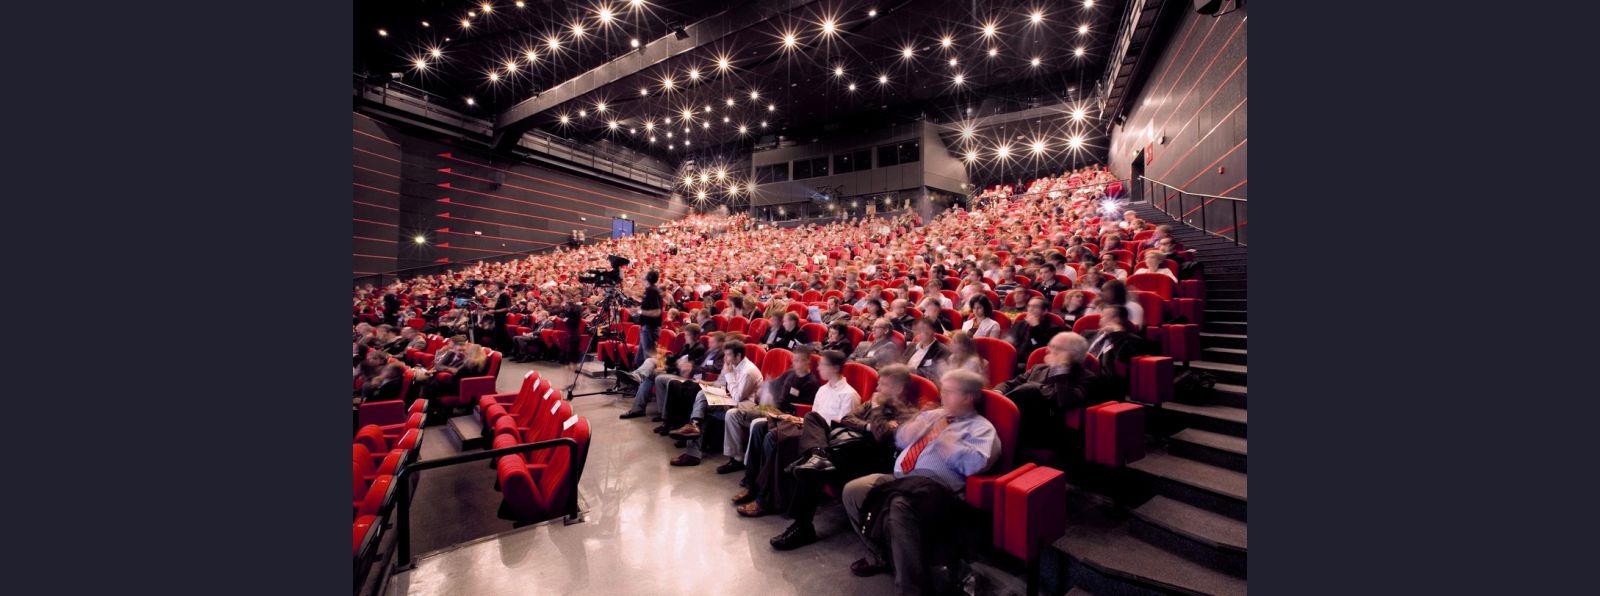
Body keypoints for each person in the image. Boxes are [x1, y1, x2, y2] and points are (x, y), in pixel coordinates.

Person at [839, 370, 1000, 594]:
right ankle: (880, 556)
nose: (942, 395)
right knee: (853, 491)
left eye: (950, 391)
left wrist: (948, 442)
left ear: (968, 397)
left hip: (937, 491)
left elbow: (977, 463)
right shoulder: (934, 415)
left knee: (900, 505)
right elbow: (901, 440)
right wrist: (911, 430)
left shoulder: (981, 428)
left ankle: (912, 590)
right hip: (901, 480)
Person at [769, 362, 913, 550]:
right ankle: (818, 455)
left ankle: (802, 526)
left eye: (883, 384)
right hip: (845, 447)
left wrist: (875, 412)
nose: (877, 388)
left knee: (813, 470)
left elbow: (882, 436)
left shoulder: (907, 414)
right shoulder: (872, 402)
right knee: (813, 418)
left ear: (898, 388)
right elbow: (847, 419)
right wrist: (868, 426)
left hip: (867, 459)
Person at [997, 332, 1108, 457]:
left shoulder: (1086, 377)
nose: (1049, 350)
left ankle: (995, 415)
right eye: (1050, 345)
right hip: (1019, 421)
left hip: (1049, 426)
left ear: (1072, 354)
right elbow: (1009, 384)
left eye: (1057, 348)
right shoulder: (1038, 368)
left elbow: (1065, 401)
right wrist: (997, 393)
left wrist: (1061, 368)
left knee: (1030, 390)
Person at [718, 346, 820, 475]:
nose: (795, 363)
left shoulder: (811, 383)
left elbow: (802, 411)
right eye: (794, 360)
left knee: (749, 419)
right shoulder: (790, 373)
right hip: (769, 408)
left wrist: (776, 410)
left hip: (783, 415)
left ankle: (748, 467)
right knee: (732, 414)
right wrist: (764, 389)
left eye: (799, 360)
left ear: (807, 362)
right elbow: (772, 385)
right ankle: (736, 458)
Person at [668, 340, 763, 466]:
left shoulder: (748, 371)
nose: (726, 358)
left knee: (704, 407)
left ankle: (694, 451)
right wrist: (708, 385)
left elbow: (739, 396)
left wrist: (728, 374)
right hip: (732, 398)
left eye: (728, 355)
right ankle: (694, 426)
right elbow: (726, 387)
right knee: (702, 394)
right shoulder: (734, 364)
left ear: (738, 356)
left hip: (747, 404)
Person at [620, 323, 706, 419]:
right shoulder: (687, 346)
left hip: (682, 374)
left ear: (696, 336)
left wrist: (666, 368)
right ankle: (636, 377)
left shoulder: (699, 349)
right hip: (673, 369)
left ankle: (641, 408)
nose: (685, 337)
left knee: (653, 374)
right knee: (651, 362)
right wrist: (664, 358)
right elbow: (675, 357)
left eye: (687, 335)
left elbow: (685, 367)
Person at [1006, 297, 1062, 374]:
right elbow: (1009, 341)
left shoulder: (1054, 328)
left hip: (1035, 365)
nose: (1030, 309)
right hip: (1015, 359)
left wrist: (1036, 326)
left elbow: (1046, 348)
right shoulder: (1020, 323)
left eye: (1035, 307)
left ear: (1045, 311)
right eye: (1029, 306)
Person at [634, 270, 664, 366]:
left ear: (648, 278)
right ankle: (642, 379)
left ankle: (650, 380)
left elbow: (657, 312)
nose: (642, 275)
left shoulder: (652, 291)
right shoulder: (650, 290)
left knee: (649, 360)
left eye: (644, 274)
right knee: (639, 360)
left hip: (650, 328)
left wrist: (639, 311)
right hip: (646, 328)